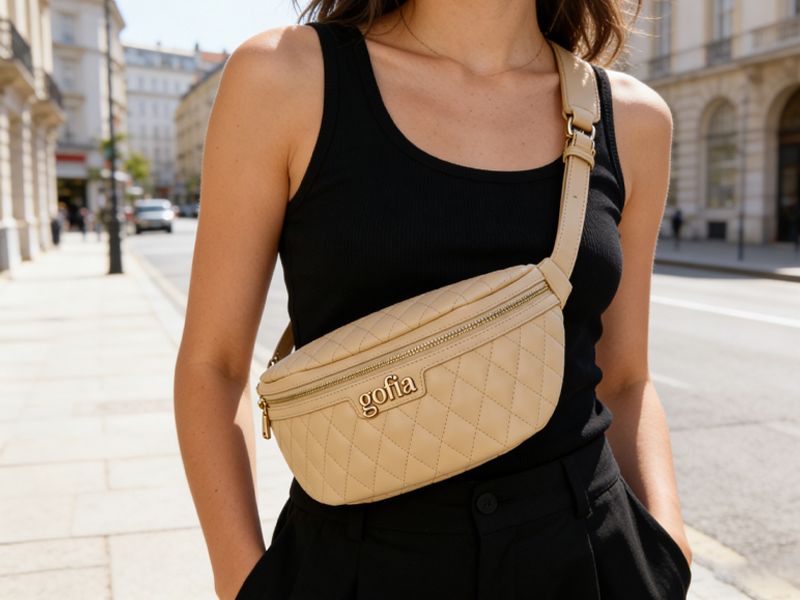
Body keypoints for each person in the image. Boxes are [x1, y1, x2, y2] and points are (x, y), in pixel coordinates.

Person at [173, 1, 693, 599]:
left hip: (587, 557)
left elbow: (625, 379)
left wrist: (667, 549)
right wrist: (242, 580)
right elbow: (214, 365)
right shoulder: (283, 77)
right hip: (354, 563)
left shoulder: (630, 118)